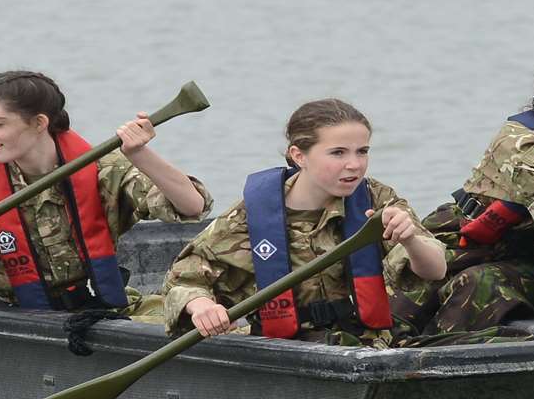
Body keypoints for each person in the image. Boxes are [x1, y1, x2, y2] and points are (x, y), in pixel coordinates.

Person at [0, 70, 212, 318]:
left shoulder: (101, 168)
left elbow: (192, 206)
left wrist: (140, 154)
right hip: (18, 318)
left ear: (38, 123)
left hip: (102, 308)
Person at [163, 99, 447, 347]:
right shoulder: (254, 215)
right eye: (338, 153)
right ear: (299, 156)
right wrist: (201, 306)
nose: (355, 164)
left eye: (362, 151)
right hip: (287, 346)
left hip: (366, 343)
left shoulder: (377, 199)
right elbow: (184, 277)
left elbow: (435, 269)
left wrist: (409, 240)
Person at [392, 56, 534, 333]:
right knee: (407, 297)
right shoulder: (519, 144)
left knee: (477, 284)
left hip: (520, 257)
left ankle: (436, 352)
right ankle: (393, 348)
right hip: (458, 237)